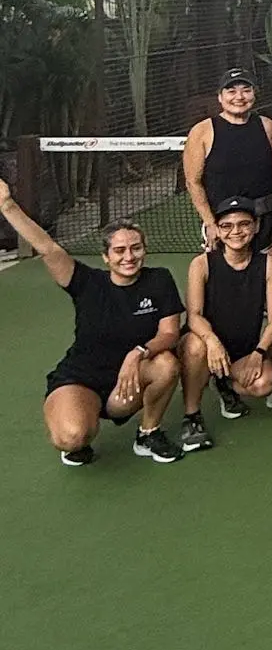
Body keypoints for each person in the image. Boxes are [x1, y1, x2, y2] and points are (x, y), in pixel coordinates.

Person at [1, 181, 185, 465]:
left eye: (135, 248)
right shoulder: (86, 282)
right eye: (119, 250)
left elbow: (170, 333)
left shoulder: (159, 280)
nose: (129, 257)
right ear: (106, 257)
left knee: (166, 365)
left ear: (144, 250)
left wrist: (138, 353)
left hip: (127, 382)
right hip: (81, 377)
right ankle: (78, 423)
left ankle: (148, 433)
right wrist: (7, 205)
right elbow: (48, 248)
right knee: (72, 437)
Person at [177, 197, 272, 447]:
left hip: (241, 351)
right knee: (195, 346)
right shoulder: (201, 264)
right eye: (227, 225)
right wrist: (212, 342)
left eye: (244, 224)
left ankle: (223, 384)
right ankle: (192, 415)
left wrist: (259, 353)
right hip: (204, 345)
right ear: (217, 229)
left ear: (256, 226)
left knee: (264, 383)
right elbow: (194, 315)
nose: (236, 231)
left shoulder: (268, 265)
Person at [184, 68, 272, 251]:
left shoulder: (267, 126)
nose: (239, 97)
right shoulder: (202, 131)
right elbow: (193, 182)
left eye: (246, 90)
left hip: (266, 223)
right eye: (231, 91)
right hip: (223, 224)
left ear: (254, 94)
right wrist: (210, 223)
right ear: (220, 97)